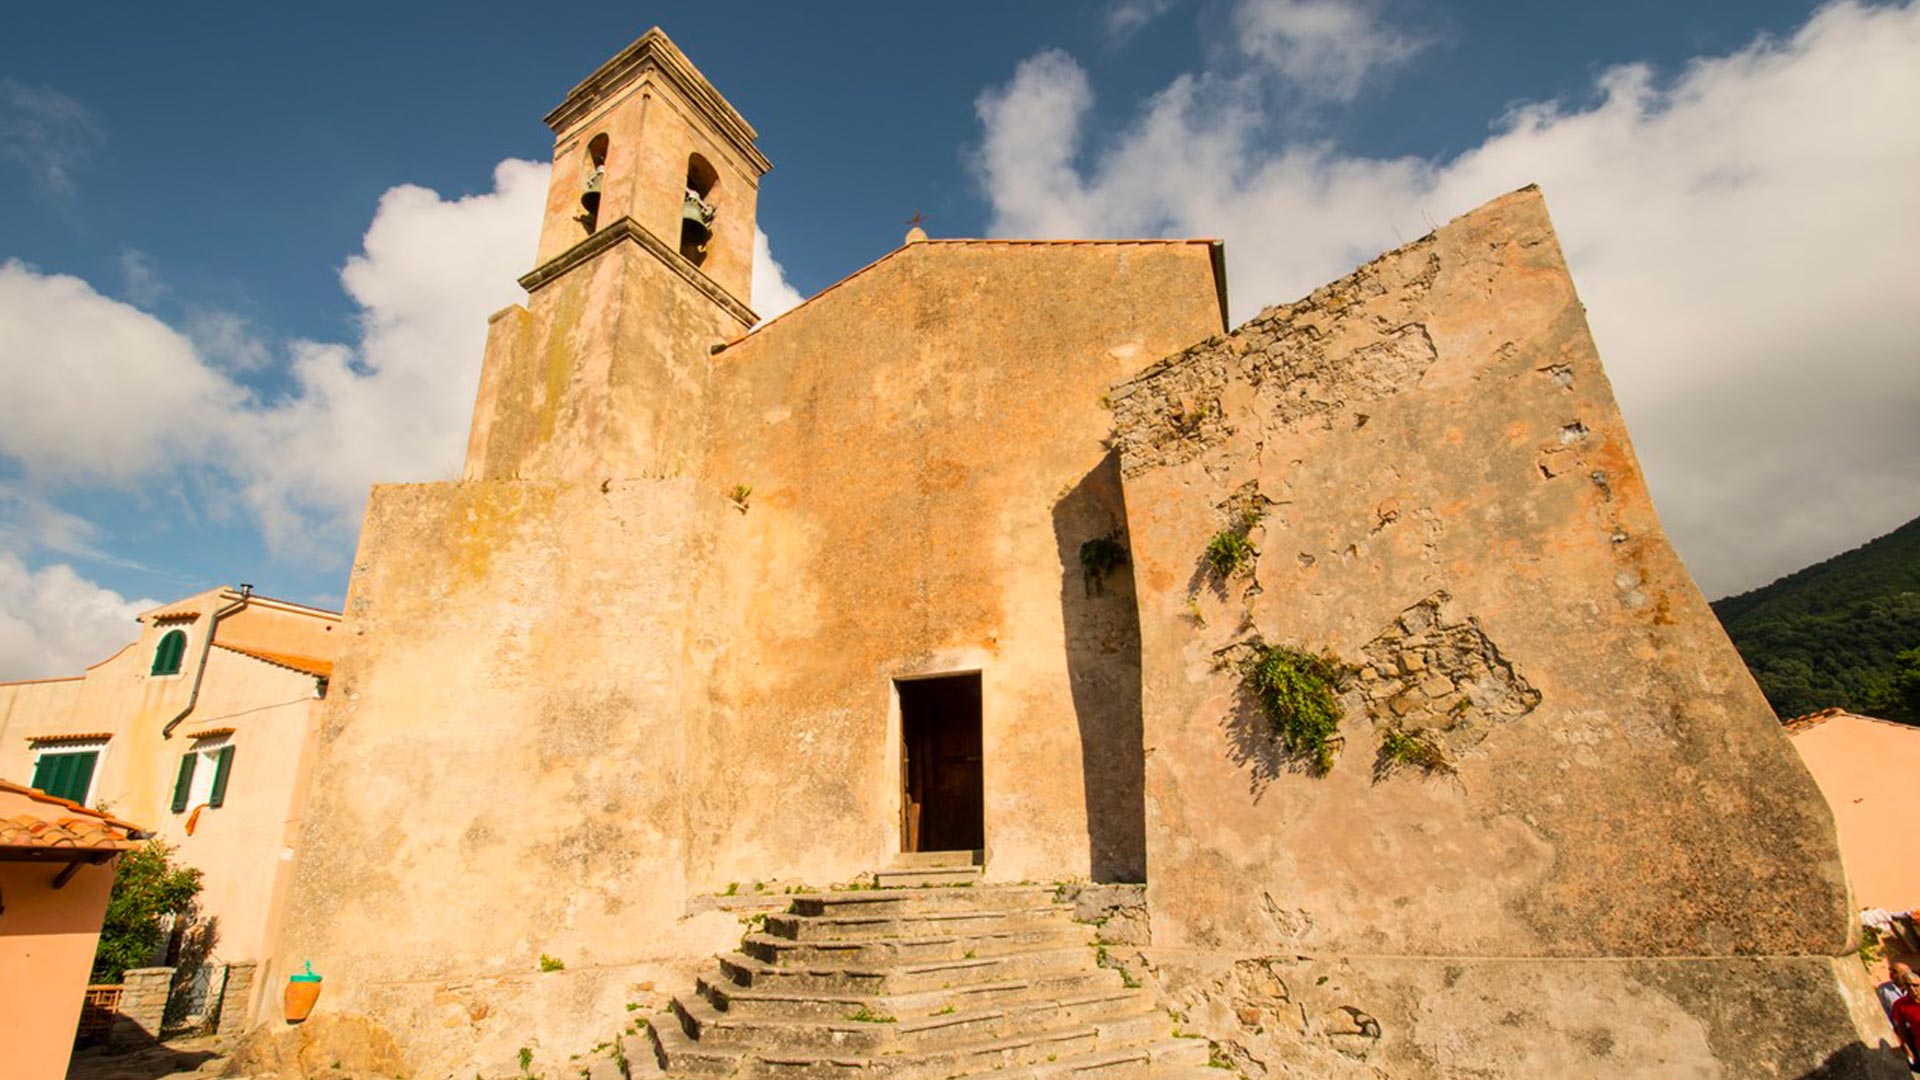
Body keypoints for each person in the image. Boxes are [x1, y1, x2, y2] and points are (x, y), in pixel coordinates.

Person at [1889, 968, 1920, 1071]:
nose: (1912, 988)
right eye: (1908, 985)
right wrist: (1907, 1048)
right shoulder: (1900, 1005)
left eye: (1915, 985)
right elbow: (1901, 1029)